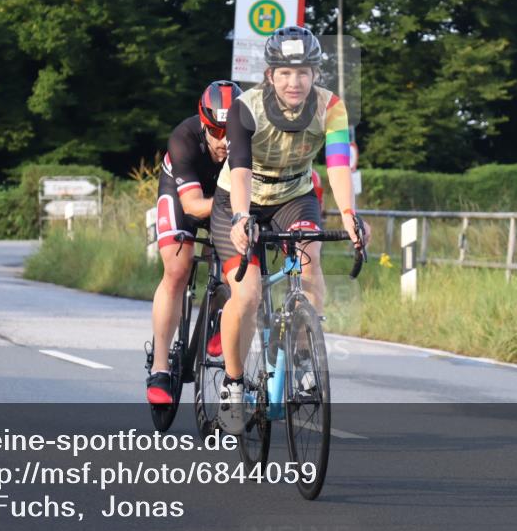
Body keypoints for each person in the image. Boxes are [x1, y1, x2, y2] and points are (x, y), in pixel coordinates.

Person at [209, 26, 371, 434]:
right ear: (270, 75)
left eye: (302, 72)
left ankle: (302, 355)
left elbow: (336, 164)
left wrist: (350, 214)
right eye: (284, 73)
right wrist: (243, 218)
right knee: (246, 294)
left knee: (310, 259)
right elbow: (241, 168)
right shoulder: (246, 107)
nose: (293, 81)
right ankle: (232, 385)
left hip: (294, 195)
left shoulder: (332, 108)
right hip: (238, 199)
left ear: (315, 74)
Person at [146, 80, 243, 405]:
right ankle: (160, 368)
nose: (223, 141)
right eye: (215, 131)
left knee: (237, 266)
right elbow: (192, 207)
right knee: (177, 269)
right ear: (203, 124)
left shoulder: (250, 140)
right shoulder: (184, 138)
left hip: (222, 200)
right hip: (183, 196)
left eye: (230, 132)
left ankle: (221, 322)